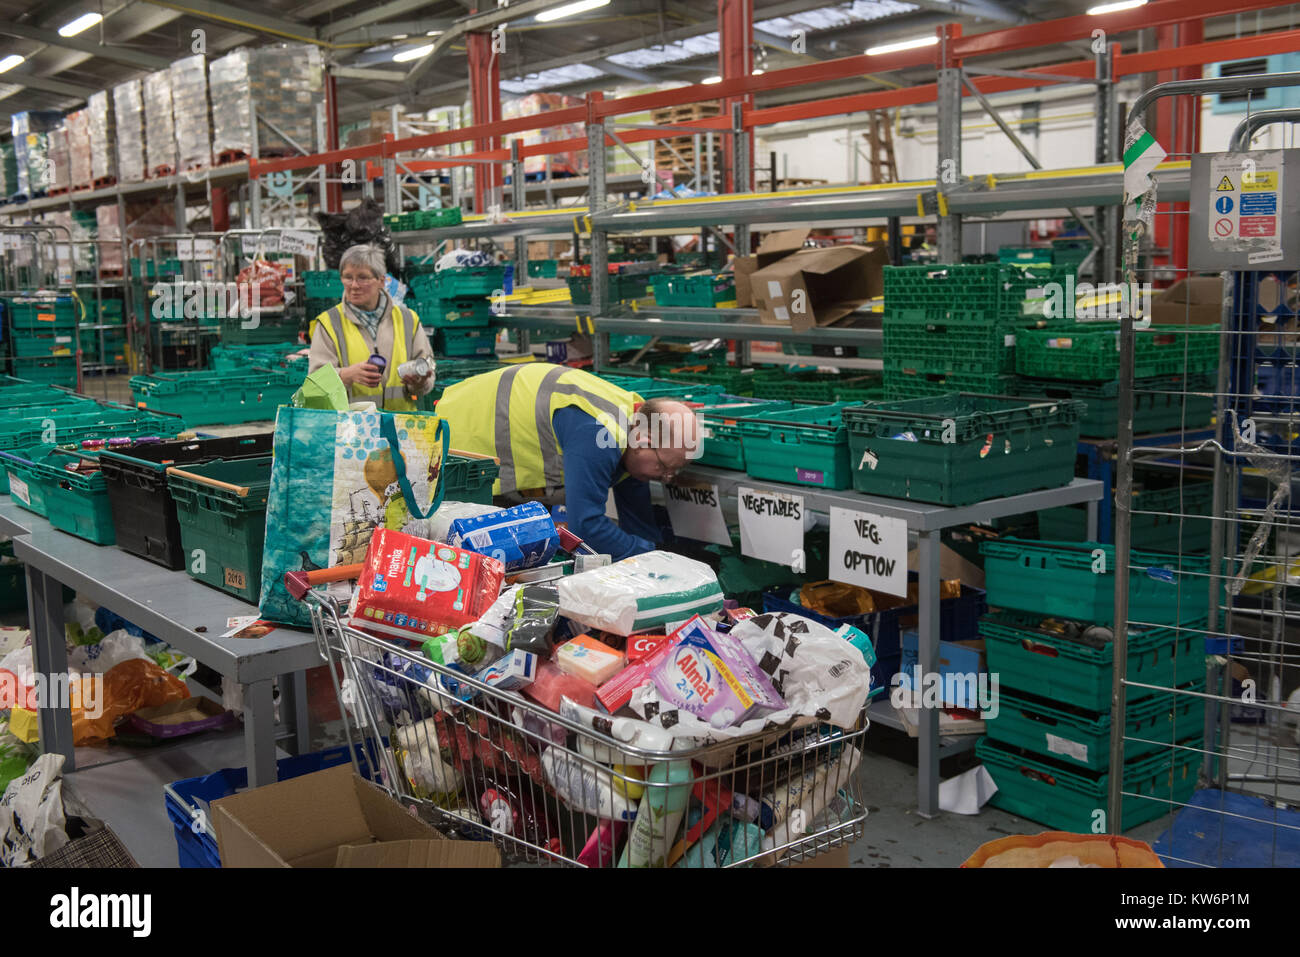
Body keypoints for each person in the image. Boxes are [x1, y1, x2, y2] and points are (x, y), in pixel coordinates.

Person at [436, 363, 700, 562]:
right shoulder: (599, 435)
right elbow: (587, 526)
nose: (667, 477)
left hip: (487, 437)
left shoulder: (634, 426)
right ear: (643, 441)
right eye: (665, 469)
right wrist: (654, 556)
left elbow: (638, 522)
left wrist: (662, 556)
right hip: (463, 439)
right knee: (473, 552)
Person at [308, 243, 435, 411]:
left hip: (399, 427)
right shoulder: (329, 323)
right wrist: (346, 375)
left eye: (363, 277)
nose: (354, 285)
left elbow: (427, 370)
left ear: (381, 281)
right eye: (347, 277)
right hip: (351, 429)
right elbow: (315, 384)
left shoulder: (407, 319)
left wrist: (420, 382)